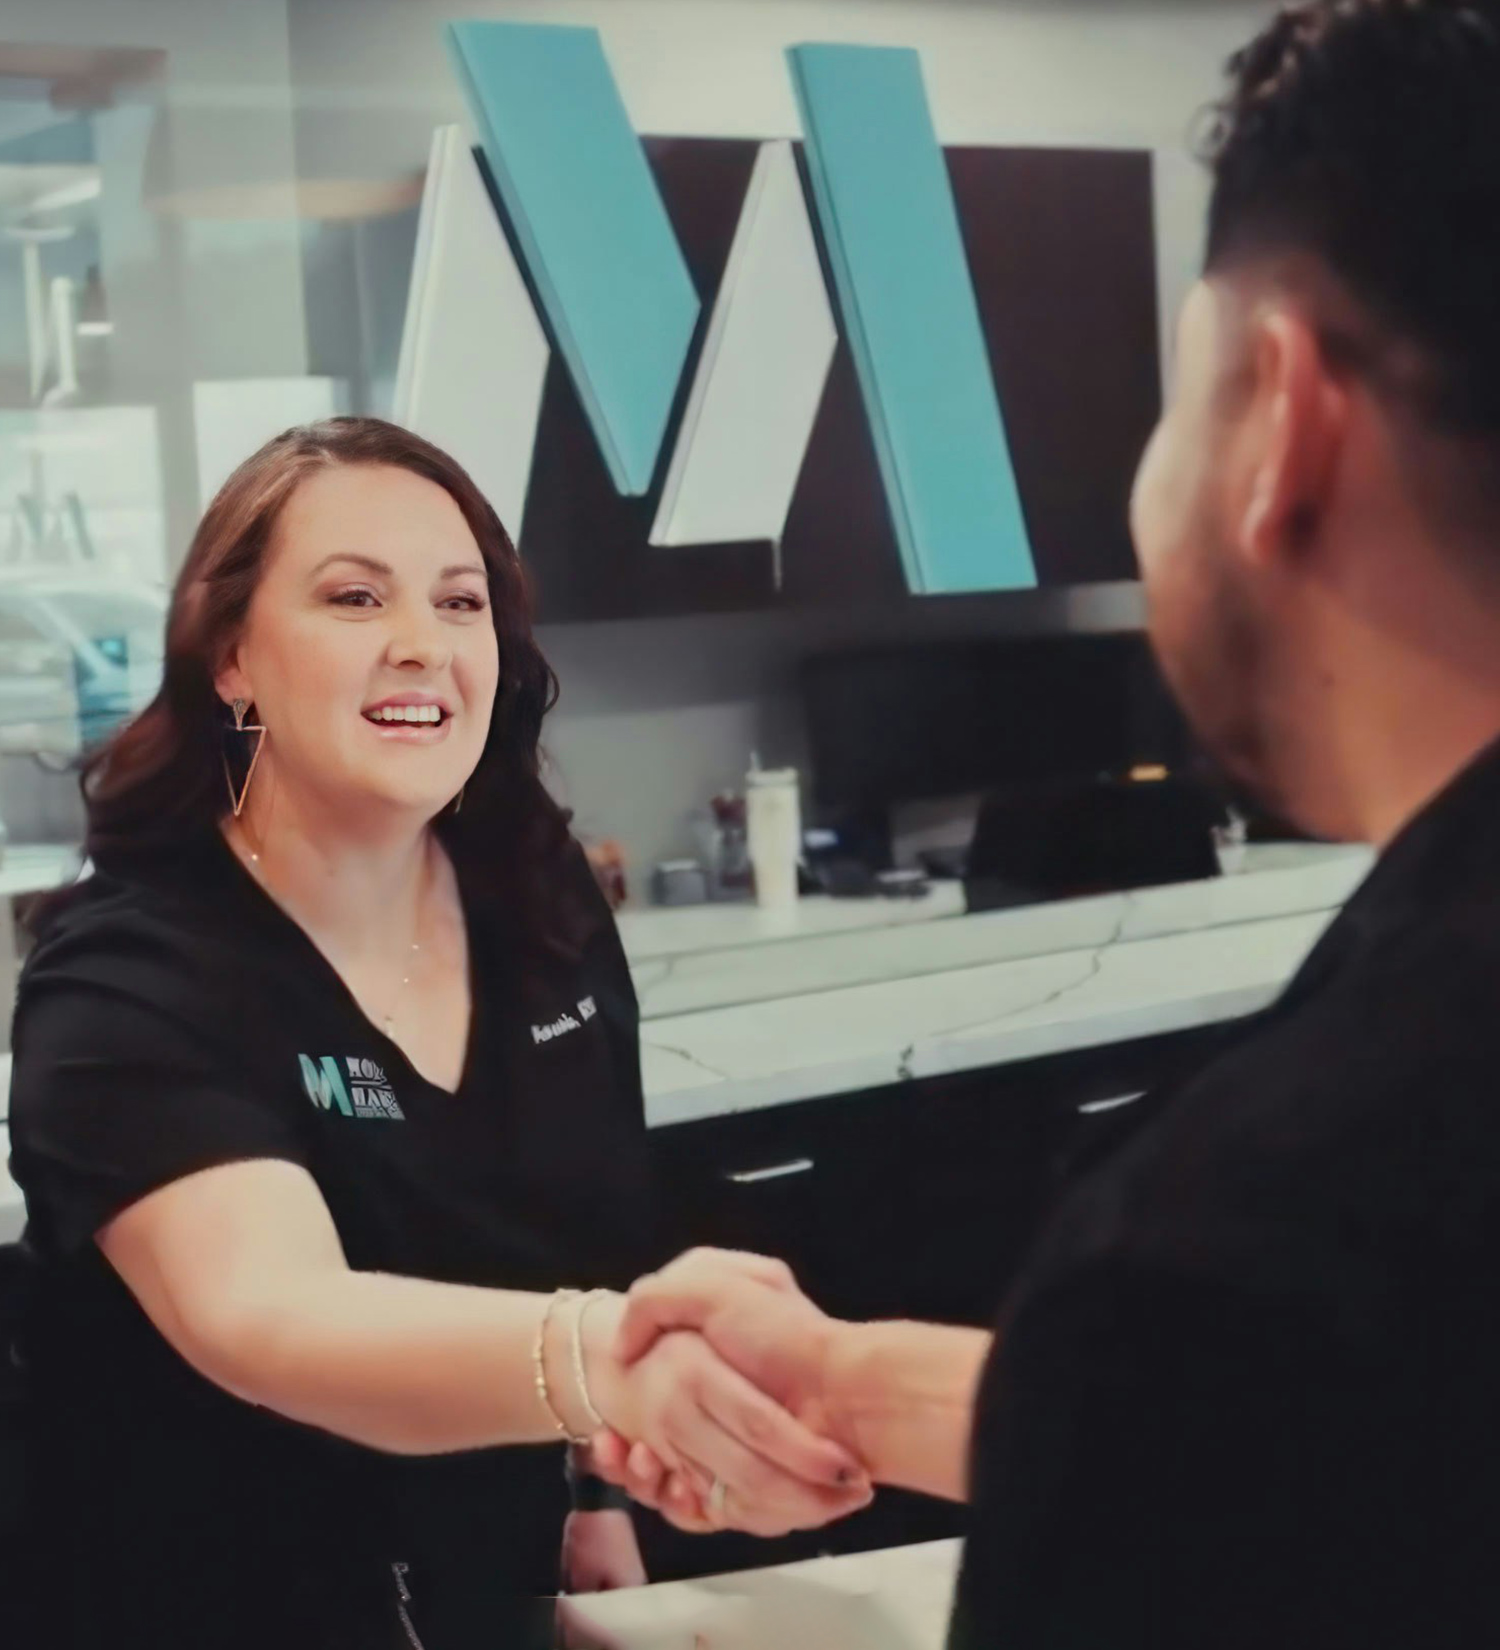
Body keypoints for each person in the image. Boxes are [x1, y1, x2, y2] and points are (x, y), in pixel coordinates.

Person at [593, 4, 1500, 1646]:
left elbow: (1235, 1395)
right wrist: (850, 1383)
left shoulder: (1240, 1248)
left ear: (1279, 421)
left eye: (1175, 386)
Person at [5, 418, 867, 1650]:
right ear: (232, 657)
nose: (422, 644)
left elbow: (587, 1220)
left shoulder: (537, 894)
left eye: (461, 603)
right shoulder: (130, 976)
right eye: (355, 597)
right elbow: (276, 1320)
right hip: (202, 1604)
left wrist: (589, 1486)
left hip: (480, 1590)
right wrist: (612, 1366)